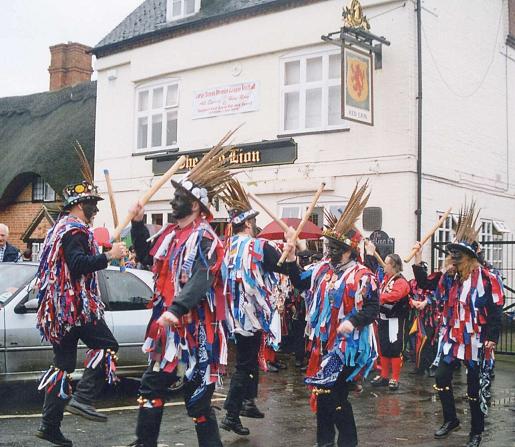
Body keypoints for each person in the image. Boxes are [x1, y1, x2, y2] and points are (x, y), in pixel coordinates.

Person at [128, 137, 234, 447]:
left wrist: (176, 309)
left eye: (180, 196)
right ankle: (144, 442)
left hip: (196, 329)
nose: (174, 201)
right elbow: (148, 257)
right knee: (151, 387)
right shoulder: (171, 233)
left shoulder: (206, 239)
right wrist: (137, 223)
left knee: (198, 401)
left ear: (197, 205)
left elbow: (202, 279)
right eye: (174, 195)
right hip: (168, 329)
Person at [35, 177, 126, 447]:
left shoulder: (61, 228)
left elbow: (75, 262)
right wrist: (108, 257)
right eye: (92, 205)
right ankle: (83, 398)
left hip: (58, 311)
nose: (95, 210)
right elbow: (77, 265)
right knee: (108, 345)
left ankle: (49, 426)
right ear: (79, 205)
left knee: (61, 367)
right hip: (75, 309)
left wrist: (106, 251)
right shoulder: (75, 231)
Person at [286, 182, 379, 447]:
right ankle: (324, 441)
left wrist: (352, 320)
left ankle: (347, 443)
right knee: (323, 393)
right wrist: (292, 259)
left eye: (337, 247)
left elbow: (372, 308)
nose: (330, 250)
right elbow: (300, 282)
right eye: (330, 245)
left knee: (334, 395)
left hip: (348, 347)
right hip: (323, 344)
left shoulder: (362, 275)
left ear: (350, 250)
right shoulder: (322, 269)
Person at [218, 179, 294, 436]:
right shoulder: (259, 247)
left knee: (248, 361)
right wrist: (292, 252)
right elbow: (284, 267)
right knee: (245, 364)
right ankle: (231, 413)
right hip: (251, 315)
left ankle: (248, 402)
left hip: (232, 316)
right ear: (248, 223)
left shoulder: (225, 247)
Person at [430, 203, 504, 447]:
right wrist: (442, 272)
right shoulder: (451, 278)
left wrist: (492, 336)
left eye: (458, 254)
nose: (454, 258)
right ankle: (451, 419)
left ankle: (477, 431)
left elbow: (495, 309)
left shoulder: (486, 278)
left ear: (471, 257)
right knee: (441, 377)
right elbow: (435, 294)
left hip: (476, 340)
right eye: (452, 254)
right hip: (453, 338)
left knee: (474, 390)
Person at [366, 244, 410, 391]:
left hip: (395, 319)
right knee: (384, 347)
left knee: (395, 348)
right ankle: (384, 376)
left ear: (393, 266)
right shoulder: (386, 279)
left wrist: (378, 297)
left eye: (386, 262)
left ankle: (395, 378)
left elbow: (395, 296)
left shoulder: (401, 281)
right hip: (384, 317)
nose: (384, 265)